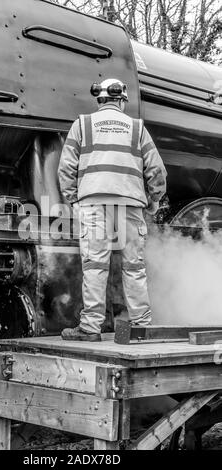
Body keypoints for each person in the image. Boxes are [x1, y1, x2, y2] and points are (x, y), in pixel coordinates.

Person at [58, 78, 167, 342]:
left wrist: (74, 200)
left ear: (100, 100)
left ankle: (90, 329)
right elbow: (157, 171)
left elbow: (66, 169)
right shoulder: (137, 128)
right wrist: (154, 199)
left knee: (95, 265)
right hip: (130, 203)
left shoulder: (82, 125)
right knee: (134, 266)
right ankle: (141, 327)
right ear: (121, 100)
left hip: (93, 202)